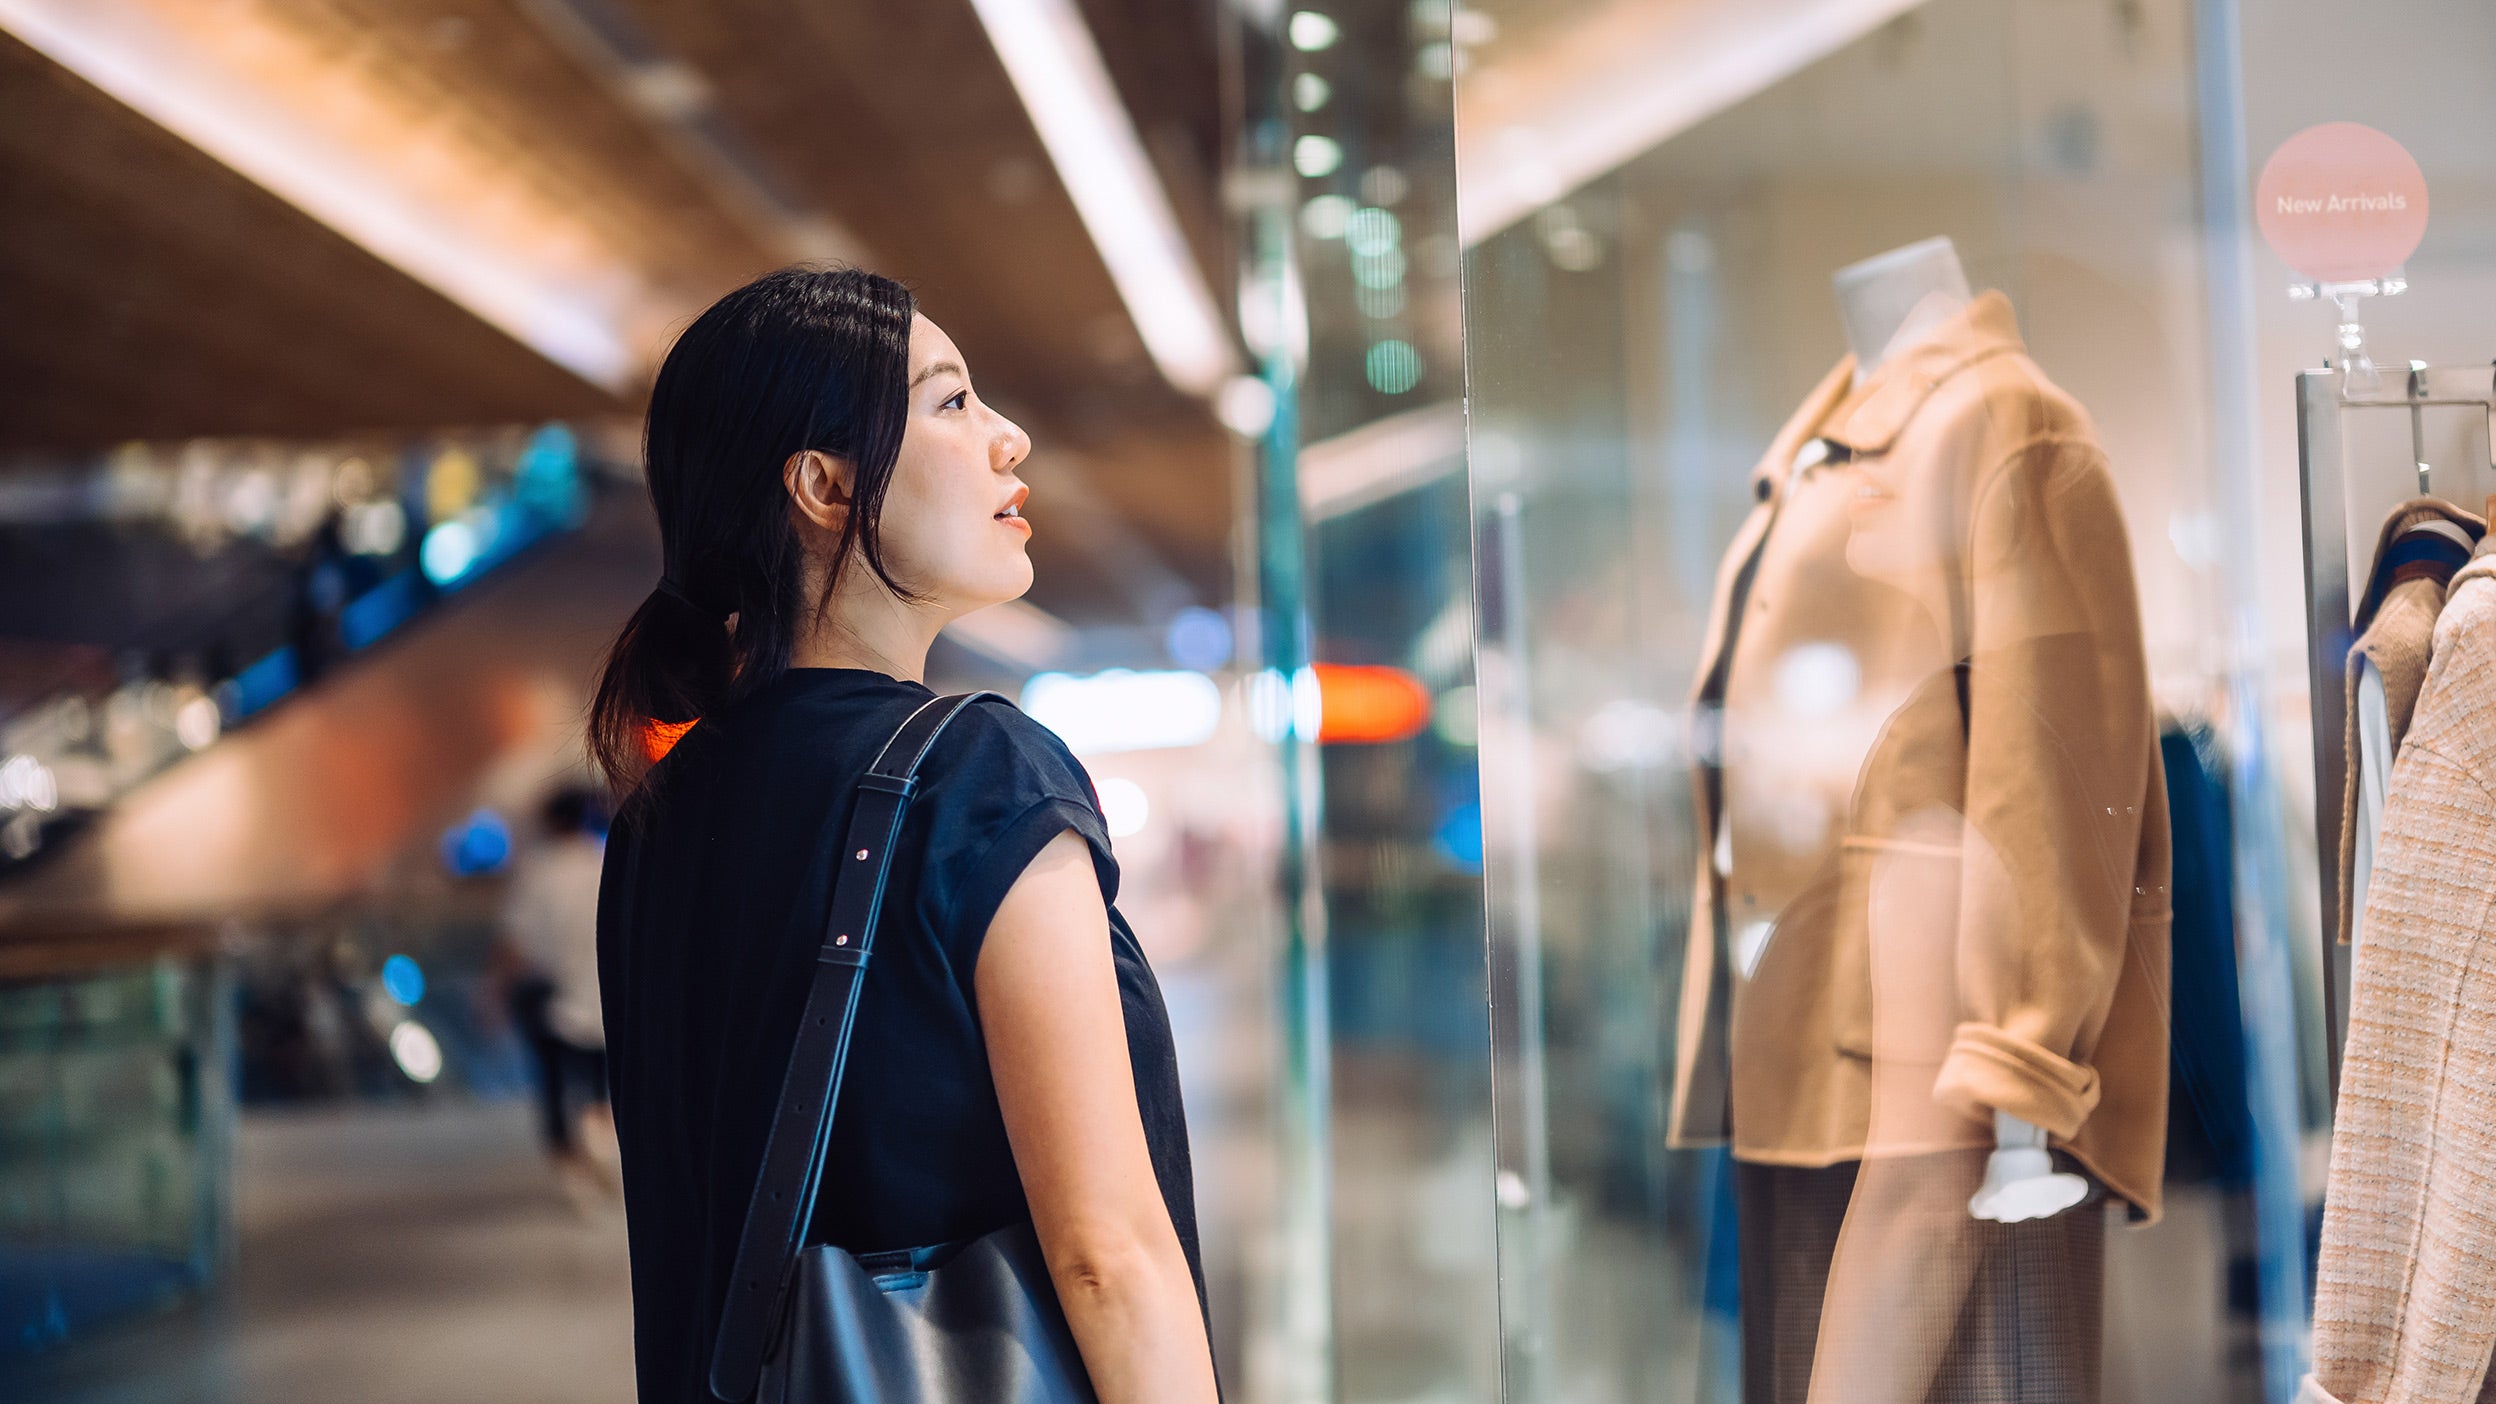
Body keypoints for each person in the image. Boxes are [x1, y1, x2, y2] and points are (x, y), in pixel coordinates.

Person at [587, 266, 1215, 1404]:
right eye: (951, 402)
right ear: (825, 487)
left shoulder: (658, 815)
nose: (1008, 439)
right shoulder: (980, 778)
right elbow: (1107, 1257)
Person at [497, 786, 615, 1198]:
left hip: (552, 995)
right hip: (604, 994)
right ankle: (602, 1144)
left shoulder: (538, 874)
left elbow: (517, 942)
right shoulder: (605, 863)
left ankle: (570, 1162)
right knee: (604, 1080)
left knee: (553, 1082)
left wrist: (493, 992)